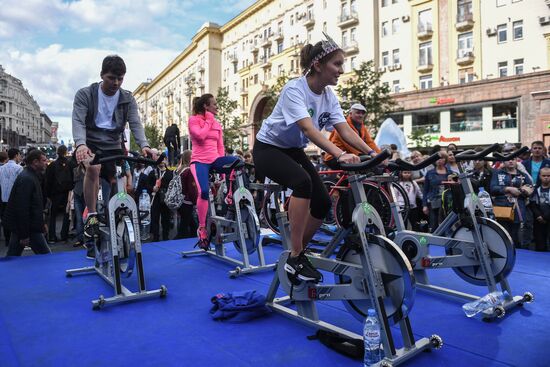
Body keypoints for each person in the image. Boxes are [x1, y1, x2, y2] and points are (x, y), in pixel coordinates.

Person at [252, 34, 376, 283]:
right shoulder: (294, 90)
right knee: (302, 183)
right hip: (268, 148)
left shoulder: (329, 96)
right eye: (337, 64)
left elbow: (345, 130)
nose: (341, 70)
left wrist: (373, 153)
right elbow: (309, 130)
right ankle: (296, 255)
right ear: (318, 65)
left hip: (293, 150)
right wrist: (341, 154)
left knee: (322, 202)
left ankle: (296, 256)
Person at [72, 55, 155, 240]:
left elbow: (135, 123)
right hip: (90, 142)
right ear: (102, 75)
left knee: (119, 176)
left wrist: (145, 145)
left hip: (114, 144)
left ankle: (120, 212)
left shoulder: (128, 98)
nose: (116, 83)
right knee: (93, 168)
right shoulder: (85, 94)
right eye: (111, 78)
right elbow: (78, 121)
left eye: (120, 78)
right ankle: (92, 216)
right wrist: (80, 144)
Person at [188, 93, 240, 249]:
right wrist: (209, 120)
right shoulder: (194, 120)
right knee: (204, 191)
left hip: (215, 160)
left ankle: (230, 193)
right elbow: (201, 136)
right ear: (206, 106)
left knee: (238, 162)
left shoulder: (217, 124)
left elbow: (220, 147)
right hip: (199, 162)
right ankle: (202, 228)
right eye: (214, 104)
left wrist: (223, 169)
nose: (217, 106)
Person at [3, 149, 51, 256]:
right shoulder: (27, 178)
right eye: (43, 160)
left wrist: (41, 224)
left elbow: (34, 205)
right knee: (46, 257)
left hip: (27, 226)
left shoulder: (31, 176)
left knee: (12, 257)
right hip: (29, 227)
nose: (46, 162)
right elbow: (22, 208)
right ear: (35, 162)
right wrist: (24, 235)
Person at [490, 156, 534, 249]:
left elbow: (530, 188)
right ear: (503, 162)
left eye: (513, 159)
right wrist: (508, 188)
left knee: (516, 236)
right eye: (508, 159)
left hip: (518, 209)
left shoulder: (523, 175)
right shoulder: (497, 173)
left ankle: (519, 259)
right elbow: (493, 188)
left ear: (516, 161)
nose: (510, 161)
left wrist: (522, 191)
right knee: (503, 235)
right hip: (502, 209)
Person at [323, 103, 380, 169]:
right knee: (369, 162)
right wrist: (369, 154)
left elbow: (370, 142)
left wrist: (379, 155)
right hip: (335, 156)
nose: (361, 115)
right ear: (350, 114)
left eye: (362, 113)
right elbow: (349, 144)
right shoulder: (342, 125)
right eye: (358, 113)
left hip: (351, 156)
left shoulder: (362, 127)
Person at [44, 145, 74, 243]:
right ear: (65, 152)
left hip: (55, 193)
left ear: (57, 152)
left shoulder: (52, 165)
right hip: (67, 192)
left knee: (53, 215)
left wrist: (48, 195)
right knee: (66, 213)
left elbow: (48, 181)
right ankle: (64, 235)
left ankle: (52, 236)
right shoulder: (70, 164)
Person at [422, 152, 452, 231]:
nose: (439, 160)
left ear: (445, 160)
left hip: (447, 202)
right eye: (437, 158)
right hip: (433, 201)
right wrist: (424, 205)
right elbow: (425, 190)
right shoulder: (430, 173)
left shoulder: (450, 172)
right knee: (434, 225)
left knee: (448, 224)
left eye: (442, 158)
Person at [0, 148, 23, 245]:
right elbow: (21, 184)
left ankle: (7, 239)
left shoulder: (1, 168)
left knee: (6, 219)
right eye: (19, 155)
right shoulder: (19, 168)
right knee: (16, 219)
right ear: (16, 155)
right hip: (15, 198)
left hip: (4, 197)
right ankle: (15, 239)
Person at [149, 156, 173, 242]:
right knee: (155, 218)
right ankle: (156, 237)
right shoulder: (152, 172)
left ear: (166, 161)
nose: (162, 162)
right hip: (155, 199)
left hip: (166, 199)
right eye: (160, 160)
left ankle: (165, 237)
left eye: (164, 160)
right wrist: (152, 188)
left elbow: (173, 186)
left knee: (166, 219)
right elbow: (147, 185)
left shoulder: (170, 173)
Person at [176, 150, 198, 239]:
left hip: (180, 200)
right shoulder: (189, 171)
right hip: (187, 201)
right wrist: (195, 201)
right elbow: (191, 189)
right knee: (185, 227)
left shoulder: (179, 169)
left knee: (190, 224)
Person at [530, 167, 550, 251]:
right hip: (538, 220)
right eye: (544, 175)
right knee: (540, 243)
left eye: (548, 176)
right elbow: (533, 204)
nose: (546, 177)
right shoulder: (535, 189)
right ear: (539, 176)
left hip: (548, 218)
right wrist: (538, 216)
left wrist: (545, 217)